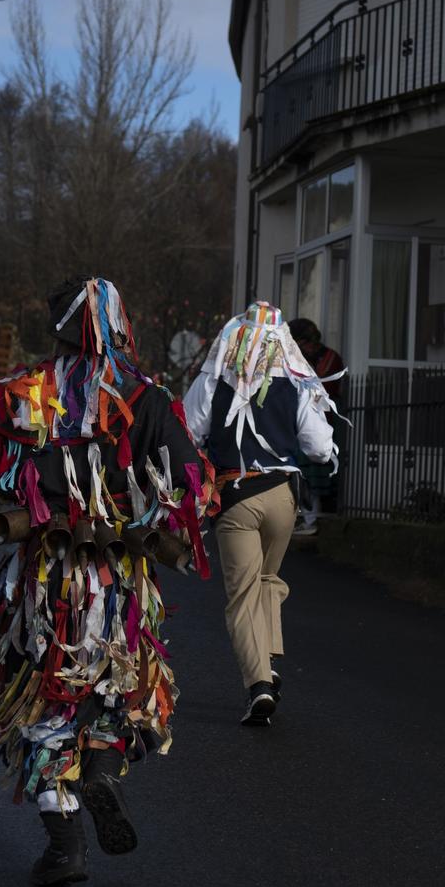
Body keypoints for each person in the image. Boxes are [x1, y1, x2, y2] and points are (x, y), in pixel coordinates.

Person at [0, 276, 214, 887]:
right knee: (115, 684)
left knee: (44, 696)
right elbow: (192, 481)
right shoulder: (147, 397)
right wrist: (157, 512)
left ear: (59, 329)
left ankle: (65, 846)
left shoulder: (21, 396)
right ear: (117, 324)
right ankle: (101, 775)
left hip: (44, 577)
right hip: (121, 576)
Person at [184, 302, 341, 726]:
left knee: (242, 594)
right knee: (267, 579)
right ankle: (267, 661)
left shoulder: (215, 379)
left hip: (236, 497)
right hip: (282, 498)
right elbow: (319, 448)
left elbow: (189, 429)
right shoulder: (297, 382)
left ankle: (259, 686)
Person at [287, 317, 347, 535]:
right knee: (302, 472)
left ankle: (313, 518)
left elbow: (319, 387)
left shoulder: (329, 358)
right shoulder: (297, 358)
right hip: (301, 423)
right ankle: (307, 516)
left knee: (316, 472)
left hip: (322, 423)